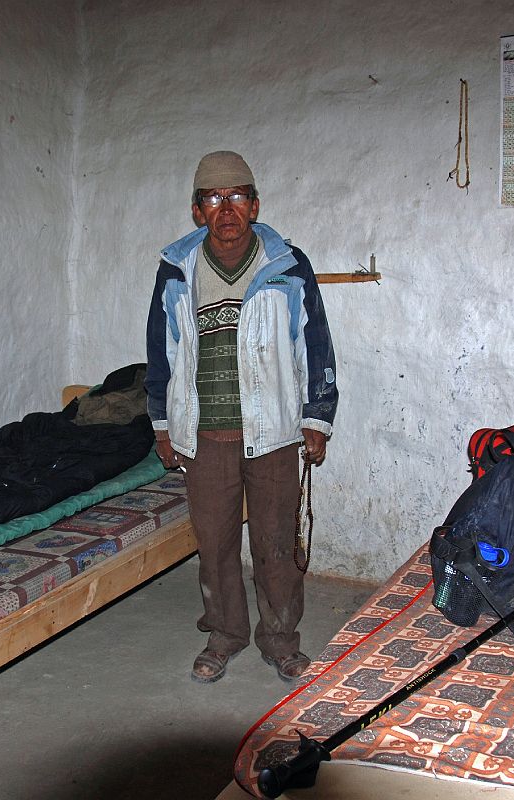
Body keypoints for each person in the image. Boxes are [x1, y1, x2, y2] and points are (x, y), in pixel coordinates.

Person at [144, 151, 339, 684]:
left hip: (273, 430)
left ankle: (279, 641)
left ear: (254, 205)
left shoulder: (287, 264)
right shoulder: (175, 269)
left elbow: (316, 346)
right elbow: (160, 350)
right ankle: (225, 634)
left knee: (276, 544)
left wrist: (316, 418)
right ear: (196, 210)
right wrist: (161, 422)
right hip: (204, 435)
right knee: (217, 546)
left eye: (236, 196)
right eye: (212, 197)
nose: (224, 207)